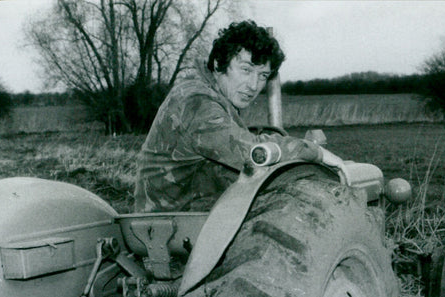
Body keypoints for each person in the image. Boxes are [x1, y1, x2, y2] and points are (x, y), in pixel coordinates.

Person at [134, 20, 343, 212]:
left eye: (263, 75)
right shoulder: (195, 101)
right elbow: (252, 152)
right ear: (218, 64)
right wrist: (316, 152)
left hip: (193, 212)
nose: (253, 85)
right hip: (168, 228)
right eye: (245, 69)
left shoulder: (215, 97)